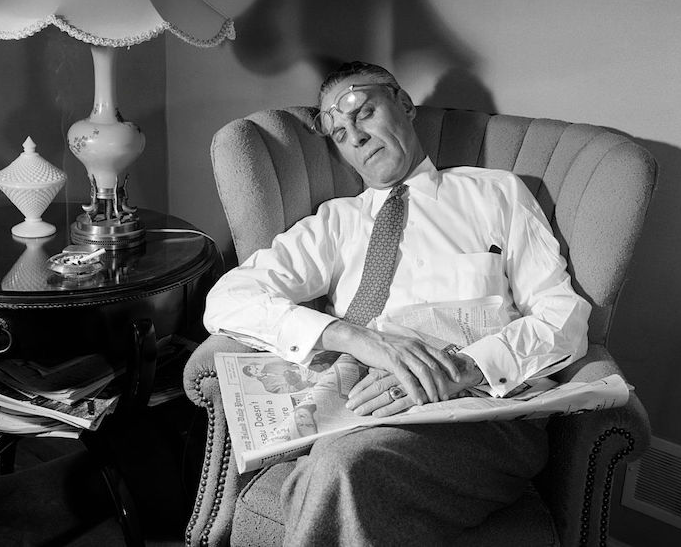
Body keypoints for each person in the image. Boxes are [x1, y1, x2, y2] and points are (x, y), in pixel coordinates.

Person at [204, 61, 591, 546]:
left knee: (337, 471)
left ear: (404, 104)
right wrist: (356, 338)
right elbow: (227, 299)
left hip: (481, 411)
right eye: (340, 133)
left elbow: (564, 317)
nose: (357, 138)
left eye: (365, 113)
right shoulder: (334, 224)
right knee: (336, 465)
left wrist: (462, 367)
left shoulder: (496, 194)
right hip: (361, 413)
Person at [242, 360, 315, 394]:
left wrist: (300, 365)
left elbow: (290, 361)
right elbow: (292, 389)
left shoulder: (269, 365)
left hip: (306, 366)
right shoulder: (269, 387)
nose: (259, 371)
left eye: (257, 368)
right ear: (253, 376)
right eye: (256, 372)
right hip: (309, 381)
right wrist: (304, 381)